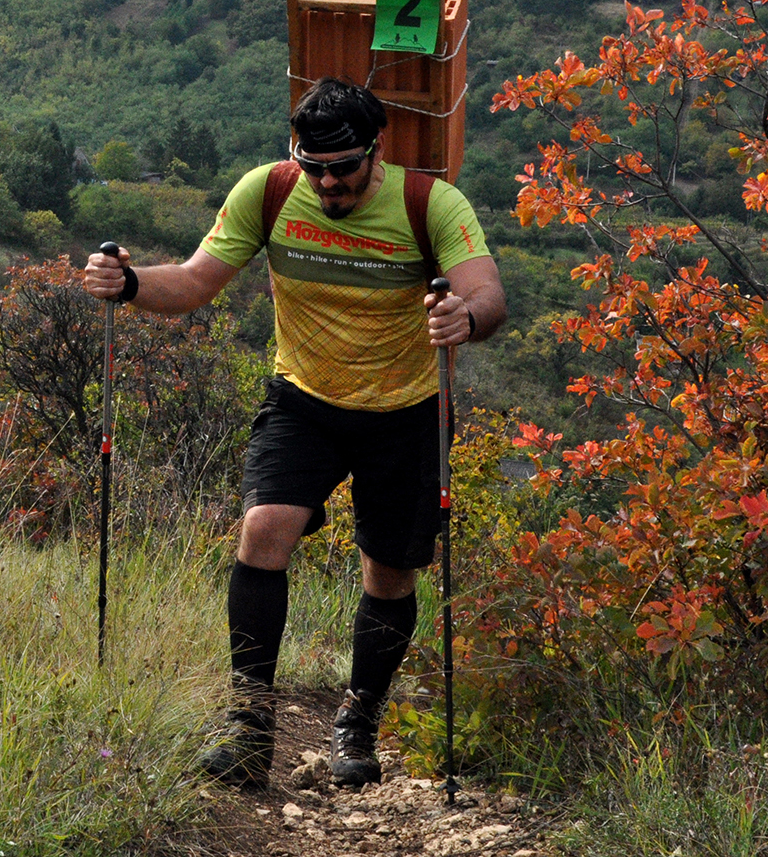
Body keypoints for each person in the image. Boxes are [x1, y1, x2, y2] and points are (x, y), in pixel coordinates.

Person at [82, 77, 505, 789]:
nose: (329, 181)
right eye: (314, 165)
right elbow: (190, 283)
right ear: (295, 154)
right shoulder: (270, 192)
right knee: (263, 530)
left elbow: (487, 289)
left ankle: (359, 717)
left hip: (406, 409)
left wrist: (467, 316)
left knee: (388, 569)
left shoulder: (428, 203)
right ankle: (249, 724)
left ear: (376, 151)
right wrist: (126, 284)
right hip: (305, 398)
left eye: (343, 166)